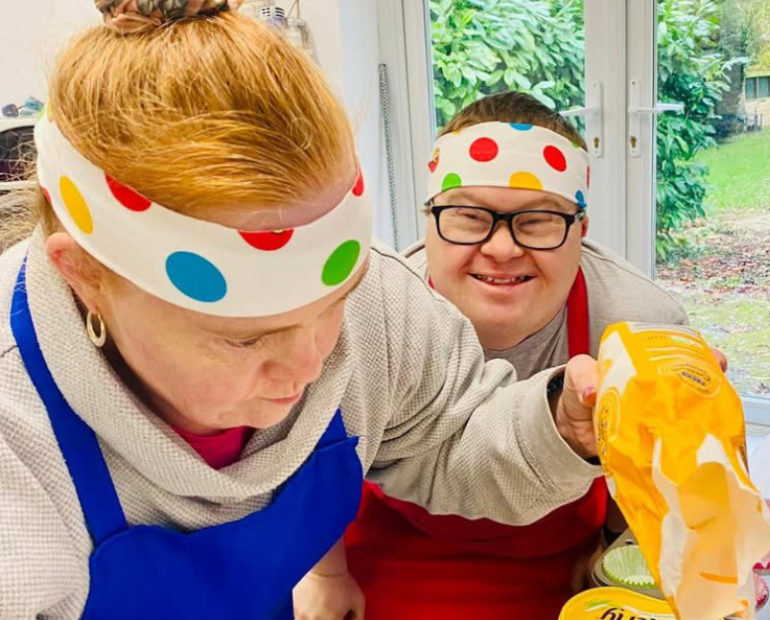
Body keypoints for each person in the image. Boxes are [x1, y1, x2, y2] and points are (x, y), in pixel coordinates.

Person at [0, 7, 605, 620]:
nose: (309, 366)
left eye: (333, 306)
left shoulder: (381, 308)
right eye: (245, 339)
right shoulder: (15, 434)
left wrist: (560, 426)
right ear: (84, 276)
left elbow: (450, 438)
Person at [346, 92, 725, 619]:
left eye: (539, 220)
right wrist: (324, 573)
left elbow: (644, 469)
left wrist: (613, 548)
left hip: (563, 550)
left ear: (581, 230)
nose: (502, 248)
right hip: (390, 544)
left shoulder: (637, 319)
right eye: (468, 215)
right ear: (429, 221)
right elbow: (310, 447)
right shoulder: (376, 310)